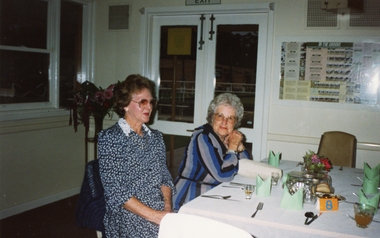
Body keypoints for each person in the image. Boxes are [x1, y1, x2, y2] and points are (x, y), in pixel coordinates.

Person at [98, 74, 175, 238]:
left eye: (151, 102)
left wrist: (167, 207)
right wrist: (155, 216)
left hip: (159, 209)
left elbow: (165, 178)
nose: (149, 107)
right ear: (125, 105)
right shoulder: (111, 138)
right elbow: (116, 191)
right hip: (129, 215)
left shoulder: (156, 137)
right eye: (143, 102)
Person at [173, 93, 251, 212]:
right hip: (191, 199)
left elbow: (245, 167)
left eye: (230, 118)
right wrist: (233, 148)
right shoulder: (203, 137)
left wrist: (239, 147)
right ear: (212, 117)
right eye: (220, 116)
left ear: (235, 123)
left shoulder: (225, 137)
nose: (224, 122)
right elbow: (223, 175)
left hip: (216, 195)